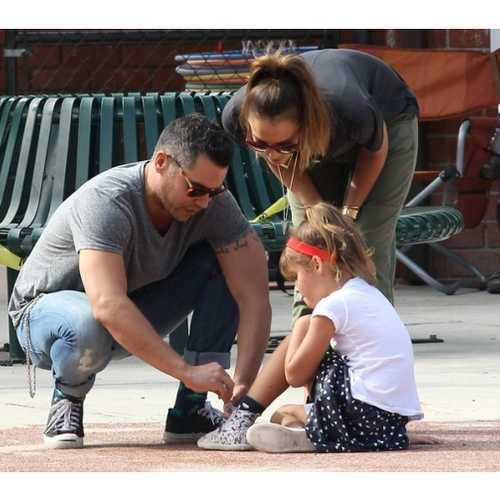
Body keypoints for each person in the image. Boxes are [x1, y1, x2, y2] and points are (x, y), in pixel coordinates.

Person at [8, 113, 271, 449]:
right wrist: (185, 371)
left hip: (123, 308)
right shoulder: (107, 201)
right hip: (45, 315)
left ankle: (190, 409)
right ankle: (68, 397)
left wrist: (243, 386)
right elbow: (108, 305)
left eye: (214, 191)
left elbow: (254, 295)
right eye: (195, 190)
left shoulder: (212, 204)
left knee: (225, 267)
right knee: (88, 322)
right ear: (161, 163)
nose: (205, 202)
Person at [198, 202, 423, 453]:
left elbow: (295, 376)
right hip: (389, 424)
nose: (298, 289)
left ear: (317, 265)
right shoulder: (370, 294)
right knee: (288, 412)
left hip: (360, 413)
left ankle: (242, 420)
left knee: (284, 408)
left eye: (297, 277)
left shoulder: (333, 306)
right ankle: (305, 432)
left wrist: (302, 324)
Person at [222, 48, 419, 321]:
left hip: (388, 122)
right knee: (308, 241)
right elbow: (279, 161)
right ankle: (307, 332)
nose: (272, 154)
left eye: (284, 145)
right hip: (315, 140)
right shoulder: (236, 116)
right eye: (260, 144)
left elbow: (375, 151)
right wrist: (316, 209)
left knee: (365, 239)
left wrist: (348, 213)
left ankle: (370, 333)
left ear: (306, 124)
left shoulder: (352, 110)